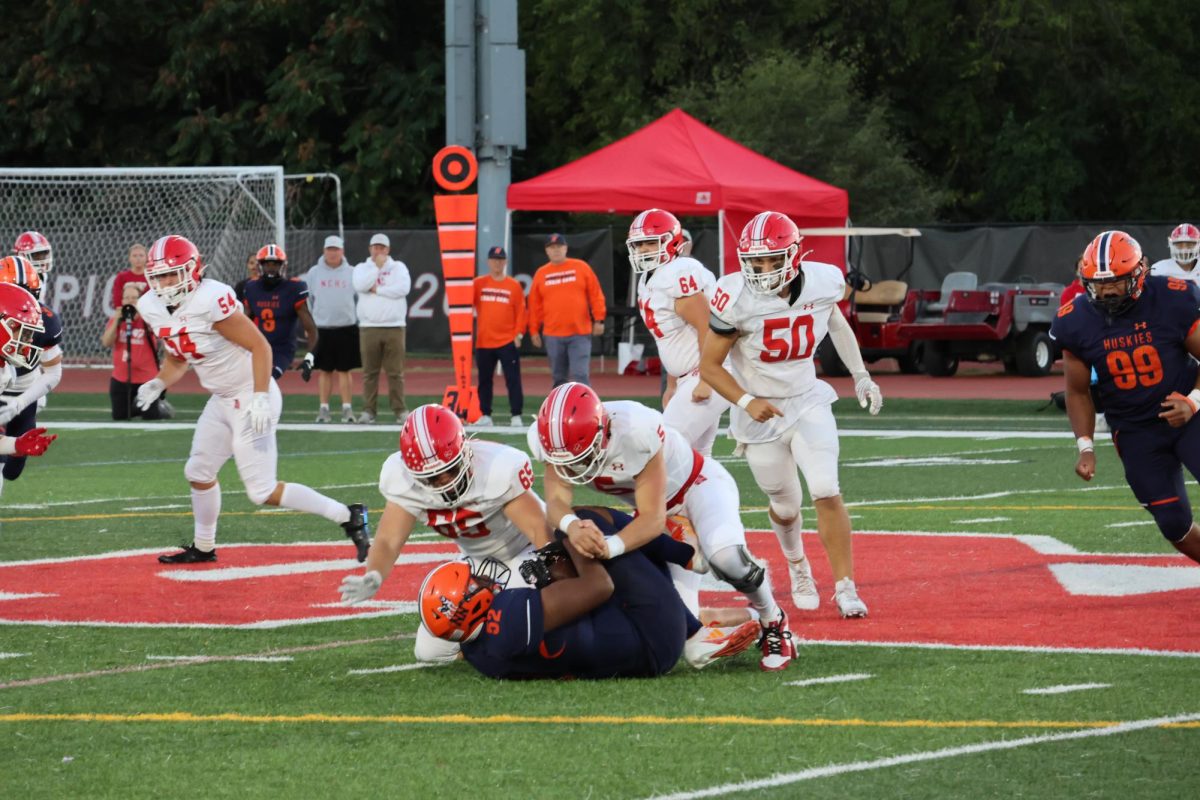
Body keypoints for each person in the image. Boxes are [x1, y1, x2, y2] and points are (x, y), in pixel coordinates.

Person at [132, 234, 371, 564]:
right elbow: (178, 358)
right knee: (199, 471)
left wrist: (259, 397)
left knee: (261, 490)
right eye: (159, 274)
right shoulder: (151, 307)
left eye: (172, 273)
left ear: (193, 270)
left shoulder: (210, 298)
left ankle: (348, 515)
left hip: (251, 393)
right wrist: (159, 382)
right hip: (222, 398)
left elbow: (261, 346)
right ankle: (204, 547)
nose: (165, 281)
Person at [530, 382, 795, 671]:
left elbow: (653, 519)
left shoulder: (636, 431)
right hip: (657, 512)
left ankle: (773, 620)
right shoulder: (556, 443)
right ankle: (751, 617)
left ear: (602, 431)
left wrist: (610, 546)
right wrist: (571, 526)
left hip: (696, 487)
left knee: (728, 560)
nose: (572, 467)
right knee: (678, 625)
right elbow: (555, 503)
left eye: (580, 456)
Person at [700, 211, 882, 618]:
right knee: (786, 506)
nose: (761, 271)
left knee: (825, 488)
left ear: (794, 255)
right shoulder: (736, 296)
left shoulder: (823, 280)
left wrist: (861, 375)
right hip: (758, 411)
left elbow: (834, 321)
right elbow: (710, 365)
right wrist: (747, 402)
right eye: (754, 262)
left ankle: (845, 586)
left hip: (806, 400)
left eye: (770, 261)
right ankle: (798, 565)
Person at [417, 507, 761, 679]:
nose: (480, 577)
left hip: (630, 644)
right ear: (467, 606)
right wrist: (574, 538)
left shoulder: (478, 654)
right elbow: (599, 586)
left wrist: (555, 577)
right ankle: (689, 559)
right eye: (472, 583)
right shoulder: (506, 615)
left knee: (606, 548)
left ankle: (736, 617)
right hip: (651, 637)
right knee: (582, 520)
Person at [338, 403, 551, 663]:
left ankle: (511, 640)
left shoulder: (496, 470)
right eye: (431, 477)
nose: (443, 482)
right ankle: (490, 643)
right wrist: (374, 574)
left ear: (464, 451)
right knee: (430, 653)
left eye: (448, 470)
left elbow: (538, 528)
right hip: (478, 564)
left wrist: (551, 571)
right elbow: (388, 540)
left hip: (527, 553)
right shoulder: (403, 481)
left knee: (514, 623)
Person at [1051, 230, 1200, 565]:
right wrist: (1085, 446)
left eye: (1116, 280)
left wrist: (1193, 400)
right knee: (1173, 524)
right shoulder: (1075, 320)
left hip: (1189, 414)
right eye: (1098, 282)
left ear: (1139, 273)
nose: (1106, 290)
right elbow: (1077, 391)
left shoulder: (1171, 298)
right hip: (1135, 431)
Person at [628, 209, 730, 457]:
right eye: (639, 244)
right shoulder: (650, 278)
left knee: (663, 449)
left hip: (707, 372)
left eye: (650, 243)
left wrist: (707, 379)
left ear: (671, 242)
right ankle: (705, 497)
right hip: (690, 375)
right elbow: (672, 338)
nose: (643, 250)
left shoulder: (677, 272)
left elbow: (708, 325)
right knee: (697, 458)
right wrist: (672, 384)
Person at [0, 266, 63, 499]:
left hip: (19, 396)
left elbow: (53, 373)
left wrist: (16, 445)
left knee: (11, 471)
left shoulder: (4, 372)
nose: (27, 345)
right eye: (20, 331)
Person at [527, 233, 607, 387]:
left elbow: (596, 295)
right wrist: (534, 330)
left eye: (559, 247)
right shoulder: (541, 273)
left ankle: (585, 410)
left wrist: (599, 319)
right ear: (546, 251)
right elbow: (535, 305)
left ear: (566, 248)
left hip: (580, 333)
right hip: (553, 334)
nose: (556, 250)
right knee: (558, 378)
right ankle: (559, 409)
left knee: (580, 375)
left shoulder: (581, 267)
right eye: (552, 247)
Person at [352, 233, 410, 424]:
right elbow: (360, 285)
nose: (379, 251)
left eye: (382, 248)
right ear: (370, 249)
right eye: (375, 247)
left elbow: (403, 289)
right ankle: (369, 411)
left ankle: (400, 410)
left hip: (395, 326)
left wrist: (379, 290)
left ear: (388, 250)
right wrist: (376, 269)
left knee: (395, 373)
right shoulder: (362, 268)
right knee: (369, 372)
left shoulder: (398, 267)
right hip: (369, 327)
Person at [242, 244, 318, 381]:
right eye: (267, 264)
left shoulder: (293, 288)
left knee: (267, 380)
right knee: (245, 383)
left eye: (275, 264)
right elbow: (243, 323)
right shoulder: (252, 288)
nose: (271, 268)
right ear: (260, 266)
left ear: (283, 266)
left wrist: (309, 358)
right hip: (258, 345)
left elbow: (311, 328)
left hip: (282, 349)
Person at [305, 235, 359, 423]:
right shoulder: (314, 273)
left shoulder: (352, 272)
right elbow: (308, 300)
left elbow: (358, 298)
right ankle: (324, 409)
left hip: (346, 327)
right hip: (322, 328)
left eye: (336, 249)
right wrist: (310, 325)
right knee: (325, 370)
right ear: (324, 251)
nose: (332, 253)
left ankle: (347, 409)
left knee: (345, 370)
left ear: (342, 251)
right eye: (329, 249)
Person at [472, 245, 526, 427]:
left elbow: (521, 311)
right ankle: (485, 414)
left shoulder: (513, 285)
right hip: (484, 341)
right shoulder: (478, 283)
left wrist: (519, 333)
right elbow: (465, 303)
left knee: (513, 379)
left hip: (507, 341)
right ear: (488, 262)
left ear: (506, 262)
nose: (497, 263)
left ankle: (516, 415)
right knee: (484, 380)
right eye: (494, 260)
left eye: (501, 260)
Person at [101, 282, 172, 420]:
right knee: (119, 417)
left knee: (151, 417)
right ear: (121, 301)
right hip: (121, 377)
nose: (130, 301)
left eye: (134, 298)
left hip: (146, 378)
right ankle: (134, 407)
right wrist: (117, 320)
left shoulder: (149, 318)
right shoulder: (117, 319)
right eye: (126, 298)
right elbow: (106, 342)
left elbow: (165, 341)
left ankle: (160, 408)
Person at [13, 231, 53, 302]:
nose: (41, 259)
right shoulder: (16, 277)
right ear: (22, 256)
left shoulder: (42, 275)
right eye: (36, 255)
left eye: (43, 254)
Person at [110, 242, 149, 310]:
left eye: (141, 255)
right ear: (129, 258)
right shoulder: (121, 277)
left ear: (146, 258)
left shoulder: (150, 276)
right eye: (134, 256)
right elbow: (117, 300)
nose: (138, 258)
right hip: (126, 311)